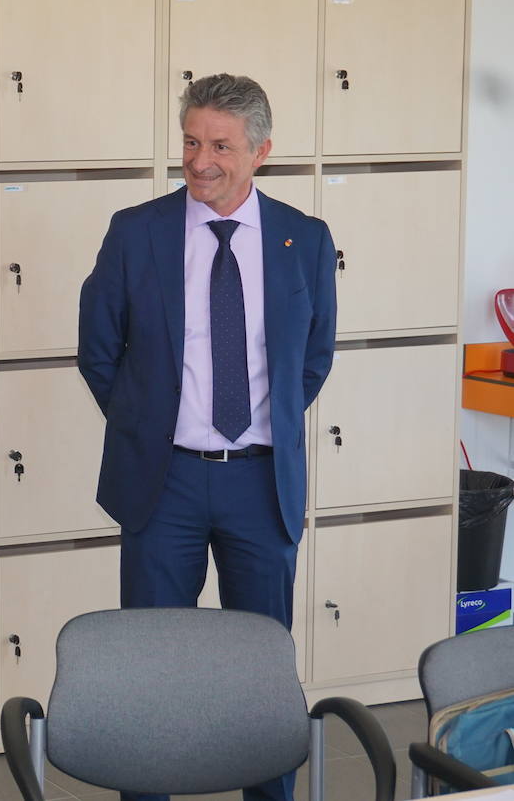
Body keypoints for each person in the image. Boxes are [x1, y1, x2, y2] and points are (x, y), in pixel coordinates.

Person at [77, 73, 337, 801]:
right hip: (166, 484)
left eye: (220, 145)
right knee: (153, 670)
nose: (200, 161)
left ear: (261, 152)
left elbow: (311, 361)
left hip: (262, 483)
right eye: (191, 141)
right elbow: (98, 349)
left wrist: (265, 429)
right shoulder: (138, 231)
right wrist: (146, 428)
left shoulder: (304, 240)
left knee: (262, 672)